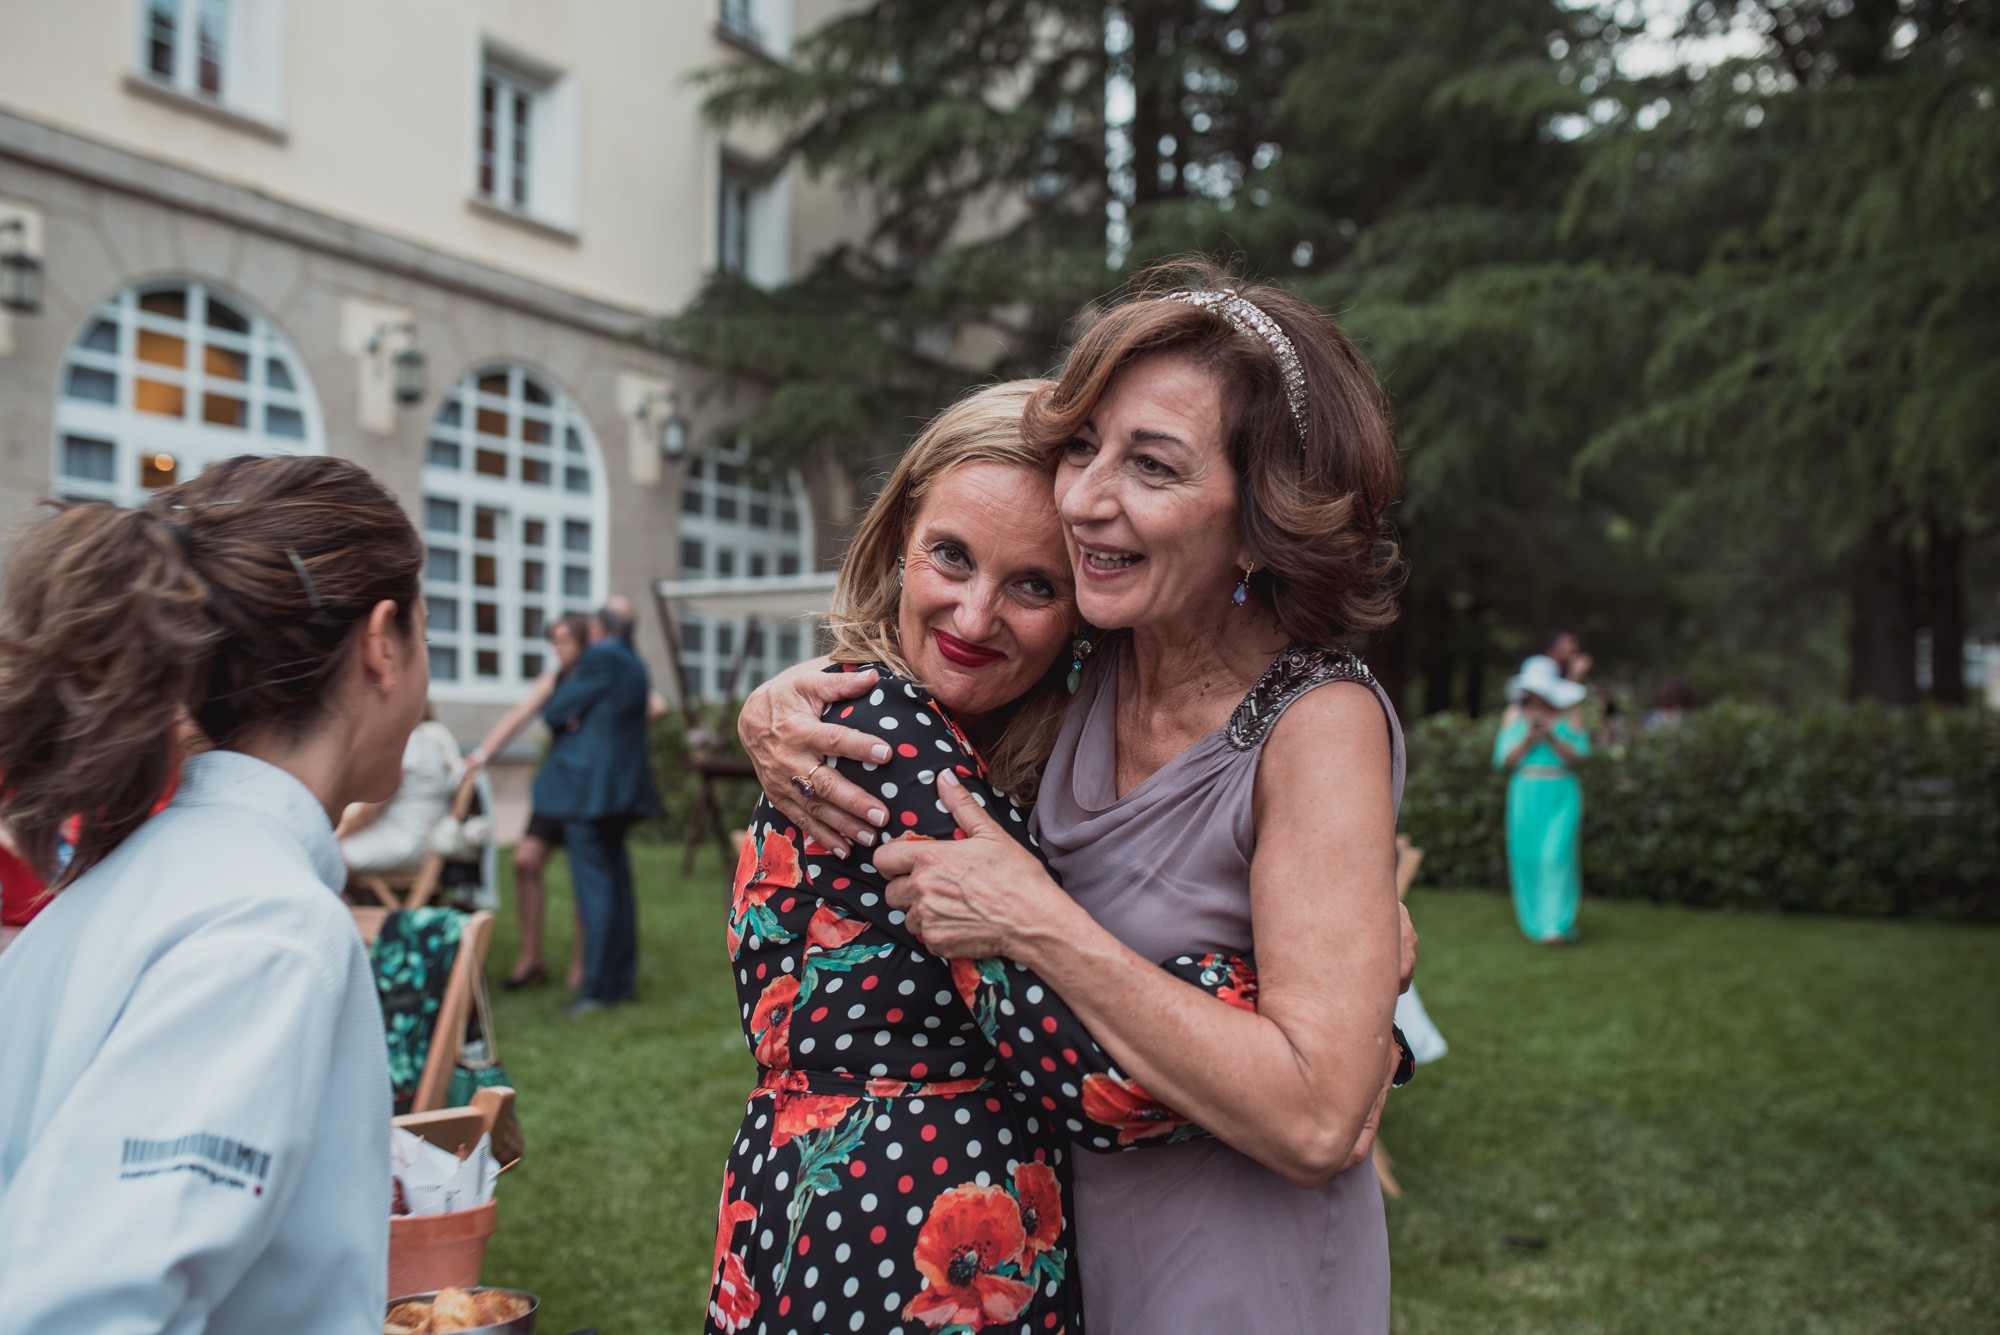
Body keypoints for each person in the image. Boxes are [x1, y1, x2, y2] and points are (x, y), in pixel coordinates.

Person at [743, 264, 1412, 1334]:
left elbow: (1318, 1119)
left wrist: (1037, 924)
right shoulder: (1087, 666)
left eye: (1149, 466)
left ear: (1258, 523)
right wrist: (774, 705)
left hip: (1238, 1274)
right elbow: (937, 690)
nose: (1086, 500)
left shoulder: (1314, 723)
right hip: (1058, 1253)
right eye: (1081, 447)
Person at [0, 453, 426, 1332]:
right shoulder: (266, 928)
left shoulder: (140, 871)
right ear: (382, 641)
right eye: (430, 629)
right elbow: (83, 1312)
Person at [535, 600, 660, 1014]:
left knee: (597, 889)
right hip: (619, 789)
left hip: (588, 791)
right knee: (618, 886)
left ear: (598, 630)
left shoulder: (599, 656)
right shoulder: (634, 661)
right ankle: (620, 981)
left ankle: (598, 989)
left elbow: (554, 709)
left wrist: (573, 716)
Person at [466, 612, 593, 990]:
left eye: (564, 639)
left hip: (587, 789)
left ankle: (582, 965)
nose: (557, 647)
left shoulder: (600, 677)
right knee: (525, 861)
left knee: (582, 877)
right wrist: (482, 754)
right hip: (555, 786)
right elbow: (517, 715)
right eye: (553, 640)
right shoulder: (553, 680)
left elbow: (652, 705)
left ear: (583, 641)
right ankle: (530, 956)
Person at [1493, 655, 1591, 943]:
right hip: (1525, 791)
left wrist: (1552, 738)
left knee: (1556, 856)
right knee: (1528, 856)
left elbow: (1581, 755)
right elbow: (1502, 760)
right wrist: (1528, 739)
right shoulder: (1513, 714)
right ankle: (1534, 921)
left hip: (1561, 789)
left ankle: (1555, 925)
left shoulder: (1569, 714)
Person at [337, 701, 463, 875]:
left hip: (402, 842)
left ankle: (344, 901)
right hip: (427, 841)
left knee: (327, 857)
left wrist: (337, 836)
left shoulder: (405, 745)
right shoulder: (433, 742)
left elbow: (368, 811)